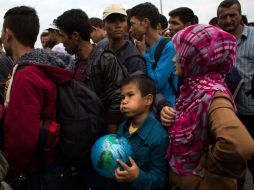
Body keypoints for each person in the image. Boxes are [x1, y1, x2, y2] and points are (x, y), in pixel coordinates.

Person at [161, 24, 254, 190]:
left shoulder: (213, 95)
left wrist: (210, 160)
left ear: (197, 58)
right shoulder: (193, 90)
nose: (174, 59)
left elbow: (240, 144)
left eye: (180, 53)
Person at [1, 5, 77, 189]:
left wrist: (11, 175)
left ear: (8, 34)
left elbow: (23, 140)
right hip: (54, 166)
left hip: (40, 174)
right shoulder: (41, 65)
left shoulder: (26, 76)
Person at [55, 9, 125, 134]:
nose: (61, 41)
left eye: (63, 36)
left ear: (75, 36)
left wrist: (108, 140)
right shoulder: (74, 63)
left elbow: (116, 101)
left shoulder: (105, 60)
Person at [217, 0, 254, 183]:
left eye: (233, 15)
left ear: (240, 15)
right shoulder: (215, 41)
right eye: (223, 17)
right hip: (227, 112)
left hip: (251, 110)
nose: (229, 20)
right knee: (232, 167)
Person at [114, 75, 168, 190]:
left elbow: (161, 179)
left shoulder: (159, 137)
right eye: (122, 97)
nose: (124, 101)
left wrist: (137, 177)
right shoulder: (122, 127)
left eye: (130, 95)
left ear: (148, 99)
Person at [129, 2, 177, 107]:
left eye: (132, 24)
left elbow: (157, 83)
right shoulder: (141, 45)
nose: (130, 29)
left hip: (167, 108)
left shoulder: (168, 47)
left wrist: (144, 55)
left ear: (145, 22)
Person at [100, 4, 146, 74]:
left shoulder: (134, 59)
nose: (118, 25)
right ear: (103, 26)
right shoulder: (101, 51)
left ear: (127, 23)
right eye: (112, 21)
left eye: (122, 20)